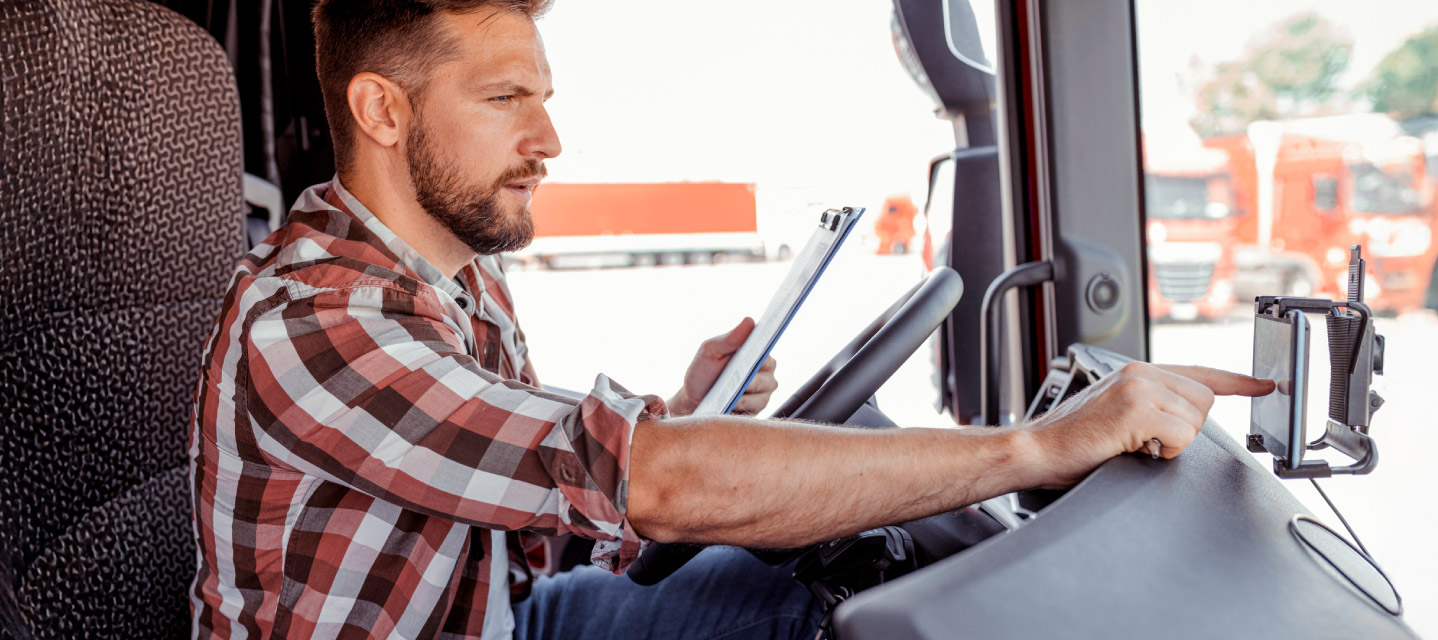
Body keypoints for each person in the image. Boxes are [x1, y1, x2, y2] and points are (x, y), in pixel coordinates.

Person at [188, 1, 1275, 638]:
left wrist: (689, 410)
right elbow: (649, 484)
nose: (550, 140)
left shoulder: (455, 278)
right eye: (506, 99)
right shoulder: (314, 319)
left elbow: (542, 506)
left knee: (822, 576)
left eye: (545, 98)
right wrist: (1031, 448)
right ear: (382, 110)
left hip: (509, 615)